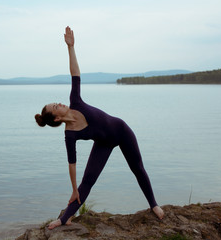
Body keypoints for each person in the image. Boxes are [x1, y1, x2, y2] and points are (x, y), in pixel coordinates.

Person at [35, 26, 164, 230]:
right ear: (57, 118)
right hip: (103, 144)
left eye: (55, 102)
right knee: (87, 182)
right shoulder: (69, 134)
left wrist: (71, 47)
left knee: (137, 168)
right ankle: (64, 218)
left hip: (122, 130)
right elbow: (72, 164)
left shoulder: (75, 100)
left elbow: (75, 73)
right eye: (55, 106)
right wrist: (73, 189)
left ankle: (154, 205)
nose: (58, 103)